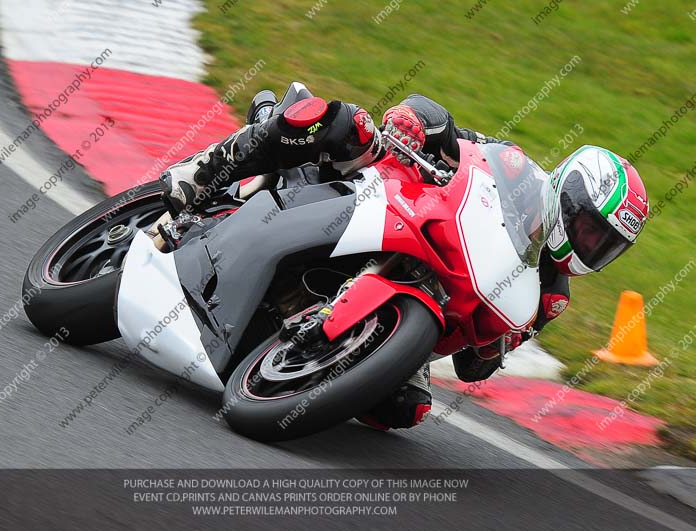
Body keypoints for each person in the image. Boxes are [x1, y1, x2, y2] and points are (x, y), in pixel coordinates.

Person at [161, 82, 649, 430]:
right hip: (391, 200)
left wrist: (492, 347)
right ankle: (207, 171)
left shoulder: (552, 295)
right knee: (345, 124)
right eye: (588, 229)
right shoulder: (520, 172)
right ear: (569, 197)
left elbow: (472, 370)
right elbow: (446, 126)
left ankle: (297, 355)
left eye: (602, 244)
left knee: (404, 410)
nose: (588, 245)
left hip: (423, 302)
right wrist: (417, 122)